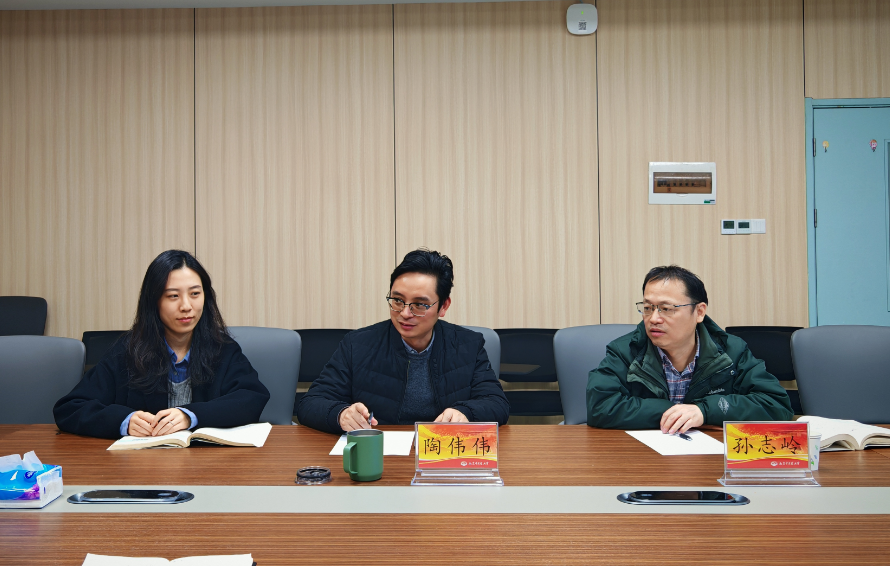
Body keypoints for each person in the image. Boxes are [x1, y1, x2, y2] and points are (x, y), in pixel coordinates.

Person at [54, 250, 269, 439]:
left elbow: (252, 398)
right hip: (143, 466)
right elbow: (70, 408)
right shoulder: (128, 351)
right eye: (173, 296)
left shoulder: (222, 348)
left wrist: (190, 416)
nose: (186, 306)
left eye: (195, 294)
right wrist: (124, 421)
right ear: (154, 301)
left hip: (207, 464)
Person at [296, 248, 509, 433]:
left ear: (443, 306)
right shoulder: (357, 344)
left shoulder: (468, 345)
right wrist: (341, 414)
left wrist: (465, 413)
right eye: (398, 300)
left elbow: (497, 404)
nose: (405, 313)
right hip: (380, 452)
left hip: (442, 452)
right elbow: (310, 403)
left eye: (419, 304)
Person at [587, 265, 792, 432]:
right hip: (644, 456)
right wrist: (678, 412)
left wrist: (704, 411)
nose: (654, 318)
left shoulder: (730, 350)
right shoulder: (626, 350)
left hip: (709, 457)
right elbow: (600, 407)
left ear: (699, 312)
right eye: (648, 308)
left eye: (666, 309)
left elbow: (775, 404)